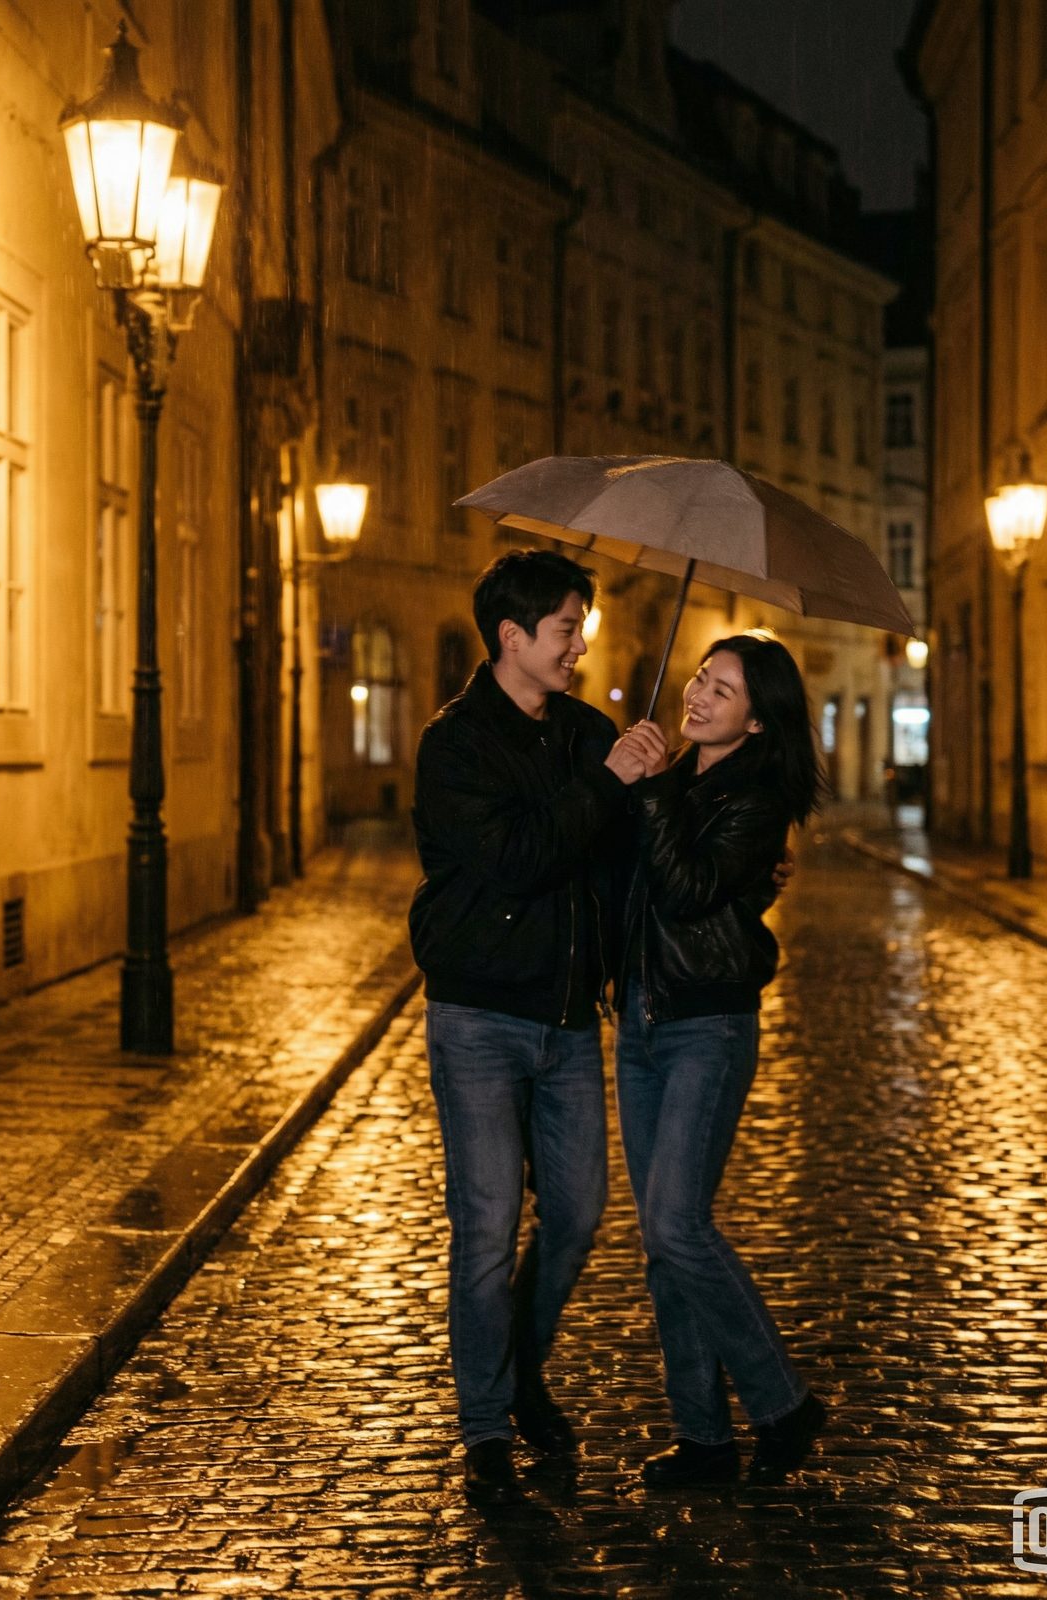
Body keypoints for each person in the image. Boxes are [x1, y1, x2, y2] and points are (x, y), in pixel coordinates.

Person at [409, 549, 665, 1504]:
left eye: (583, 625)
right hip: (477, 1016)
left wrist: (718, 849)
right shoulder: (456, 744)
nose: (581, 643)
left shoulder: (588, 734)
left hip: (565, 1019)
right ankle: (485, 1430)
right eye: (566, 628)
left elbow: (633, 859)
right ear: (513, 637)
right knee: (483, 1229)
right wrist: (606, 783)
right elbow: (516, 856)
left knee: (579, 1212)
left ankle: (516, 1368)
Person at [610, 632, 826, 1490]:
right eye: (702, 676)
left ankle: (782, 1403)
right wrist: (625, 785)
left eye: (724, 690)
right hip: (640, 1020)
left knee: (676, 1225)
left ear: (758, 722)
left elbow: (690, 888)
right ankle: (702, 1438)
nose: (699, 694)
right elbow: (624, 877)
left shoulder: (757, 799)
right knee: (666, 1246)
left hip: (709, 1025)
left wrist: (654, 792)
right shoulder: (676, 778)